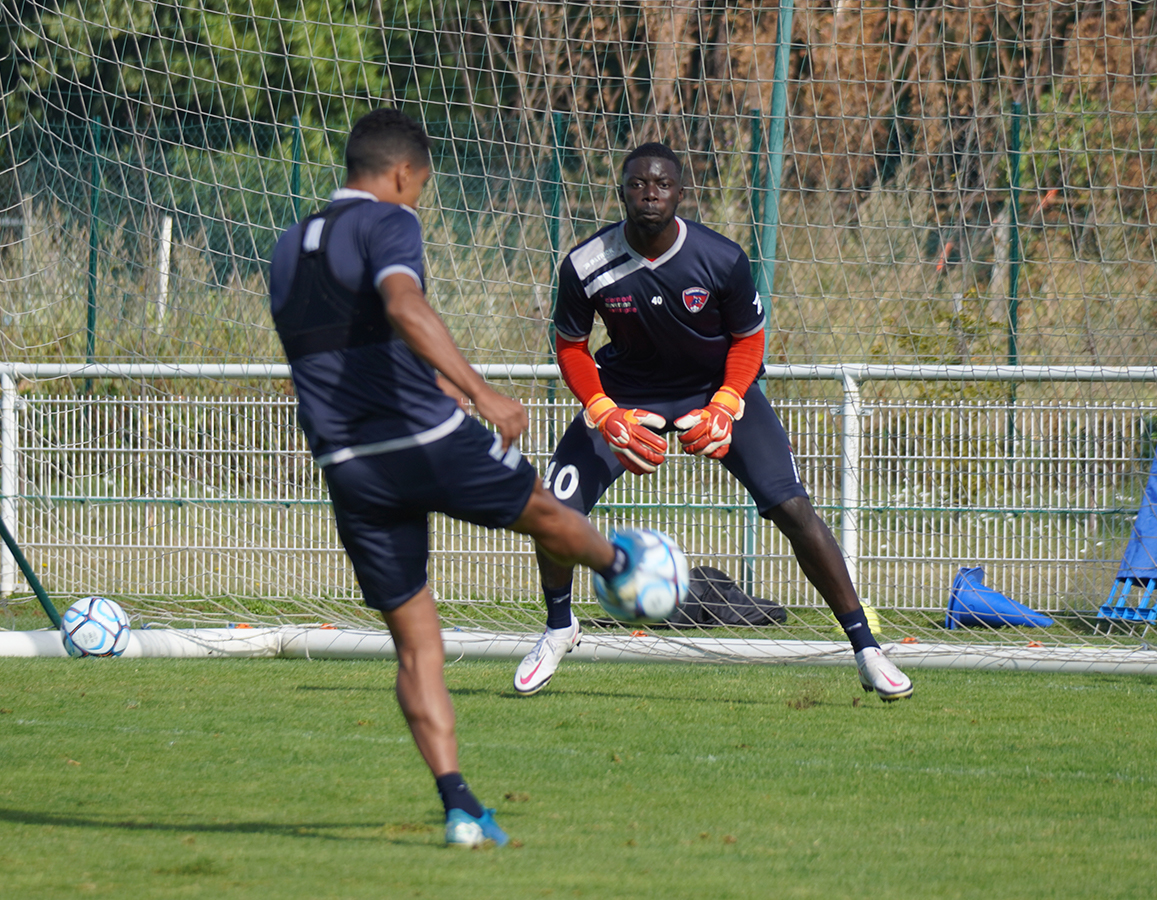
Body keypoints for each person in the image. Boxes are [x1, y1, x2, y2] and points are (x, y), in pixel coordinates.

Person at [269, 109, 647, 848]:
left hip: (347, 465)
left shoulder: (289, 247)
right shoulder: (389, 222)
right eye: (422, 188)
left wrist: (434, 390)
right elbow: (406, 307)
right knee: (541, 507)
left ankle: (460, 807)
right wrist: (481, 395)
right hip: (421, 441)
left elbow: (345, 352)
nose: (419, 200)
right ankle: (627, 570)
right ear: (404, 175)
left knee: (418, 647)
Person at [514, 142, 913, 702]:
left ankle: (867, 648)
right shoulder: (585, 262)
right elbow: (571, 345)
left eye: (661, 185)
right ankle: (559, 627)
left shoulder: (721, 258)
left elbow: (749, 340)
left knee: (793, 507)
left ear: (680, 193)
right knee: (552, 509)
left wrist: (725, 405)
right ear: (622, 190)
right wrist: (603, 412)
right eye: (637, 184)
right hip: (625, 393)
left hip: (716, 390)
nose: (649, 193)